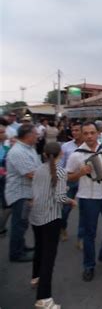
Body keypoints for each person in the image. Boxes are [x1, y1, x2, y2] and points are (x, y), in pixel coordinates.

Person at [66, 122, 102, 281]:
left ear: (97, 133)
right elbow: (67, 177)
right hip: (88, 198)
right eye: (86, 133)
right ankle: (89, 265)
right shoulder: (76, 155)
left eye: (92, 133)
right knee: (89, 233)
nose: (89, 136)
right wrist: (80, 173)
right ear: (81, 135)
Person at [30, 142, 76, 309]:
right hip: (51, 218)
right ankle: (43, 298)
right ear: (61, 154)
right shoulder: (61, 172)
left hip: (36, 215)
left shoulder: (38, 170)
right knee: (48, 259)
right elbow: (60, 198)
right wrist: (71, 201)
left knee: (39, 249)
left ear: (43, 154)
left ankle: (35, 277)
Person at [5, 124, 41, 262]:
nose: (37, 136)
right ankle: (16, 253)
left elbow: (37, 167)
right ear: (28, 136)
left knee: (23, 223)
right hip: (20, 193)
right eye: (35, 134)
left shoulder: (28, 148)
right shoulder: (18, 151)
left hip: (26, 192)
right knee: (19, 224)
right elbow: (31, 173)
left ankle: (21, 246)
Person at [59, 121, 84, 246]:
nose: (74, 133)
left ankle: (81, 238)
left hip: (85, 182)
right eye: (72, 130)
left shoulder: (90, 146)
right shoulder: (66, 147)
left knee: (85, 212)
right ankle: (62, 228)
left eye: (77, 130)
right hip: (70, 181)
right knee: (65, 210)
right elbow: (60, 165)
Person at [0, 124, 11, 237]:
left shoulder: (5, 147)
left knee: (7, 206)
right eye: (1, 132)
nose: (4, 134)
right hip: (3, 179)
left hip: (5, 180)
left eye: (4, 131)